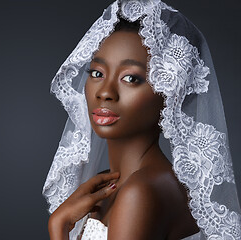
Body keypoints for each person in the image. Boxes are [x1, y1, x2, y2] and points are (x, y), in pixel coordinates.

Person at [43, 0, 241, 239]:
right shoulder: (115, 183)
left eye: (131, 79)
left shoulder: (141, 190)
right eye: (97, 73)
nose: (105, 92)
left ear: (169, 92)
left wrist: (58, 226)